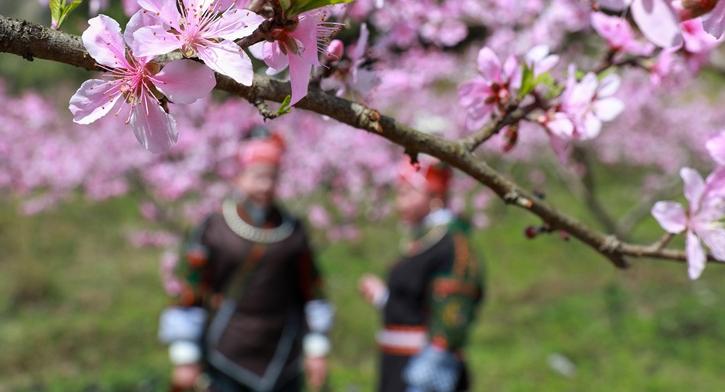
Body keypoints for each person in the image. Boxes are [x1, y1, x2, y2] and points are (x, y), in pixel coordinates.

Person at [159, 130, 333, 392]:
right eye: (257, 176)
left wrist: (316, 348)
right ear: (239, 176)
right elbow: (190, 289)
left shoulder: (293, 229)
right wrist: (185, 356)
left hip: (283, 353)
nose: (265, 185)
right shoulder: (214, 229)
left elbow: (311, 290)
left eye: (272, 177)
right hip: (226, 352)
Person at [359, 155, 484, 392]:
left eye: (407, 194)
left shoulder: (452, 245)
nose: (399, 203)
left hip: (423, 372)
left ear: (435, 195)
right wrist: (382, 297)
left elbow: (451, 312)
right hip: (398, 366)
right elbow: (413, 303)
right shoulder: (425, 240)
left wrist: (430, 371)